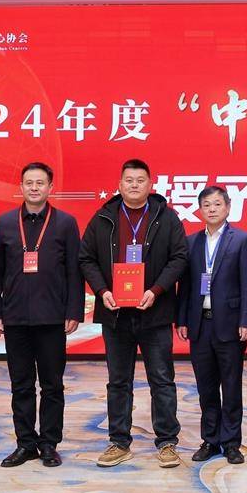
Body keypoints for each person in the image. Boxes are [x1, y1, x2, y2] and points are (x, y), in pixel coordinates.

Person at [81, 159, 189, 469]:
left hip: (155, 312)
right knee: (118, 381)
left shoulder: (166, 217)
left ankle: (167, 442)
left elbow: (179, 257)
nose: (134, 185)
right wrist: (102, 290)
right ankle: (119, 442)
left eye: (140, 180)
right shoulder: (103, 217)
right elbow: (86, 258)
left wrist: (156, 290)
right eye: (128, 180)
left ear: (150, 184)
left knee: (162, 380)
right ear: (119, 184)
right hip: (115, 314)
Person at [0, 162, 84, 468]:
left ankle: (49, 444)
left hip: (52, 318)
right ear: (21, 186)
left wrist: (74, 310)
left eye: (40, 183)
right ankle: (25, 444)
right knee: (21, 384)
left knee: (52, 385)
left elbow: (75, 271)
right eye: (29, 182)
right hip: (15, 317)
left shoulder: (65, 223)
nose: (34, 188)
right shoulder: (5, 222)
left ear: (50, 187)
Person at [175, 185, 247, 465]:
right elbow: (185, 285)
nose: (211, 209)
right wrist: (182, 319)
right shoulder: (191, 242)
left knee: (231, 386)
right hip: (200, 325)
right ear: (200, 210)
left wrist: (246, 320)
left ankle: (232, 442)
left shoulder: (242, 239)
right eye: (206, 205)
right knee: (206, 387)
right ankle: (210, 440)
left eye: (217, 204)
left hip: (231, 325)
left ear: (228, 207)